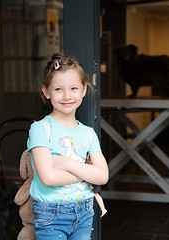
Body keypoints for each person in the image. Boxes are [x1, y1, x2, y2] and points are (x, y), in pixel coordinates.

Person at [27, 53, 109, 239]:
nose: (67, 96)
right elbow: (47, 177)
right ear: (46, 92)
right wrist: (86, 173)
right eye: (58, 89)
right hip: (51, 214)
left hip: (85, 210)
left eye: (73, 88)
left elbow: (102, 175)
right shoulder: (40, 129)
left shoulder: (88, 133)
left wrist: (65, 163)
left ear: (83, 90)